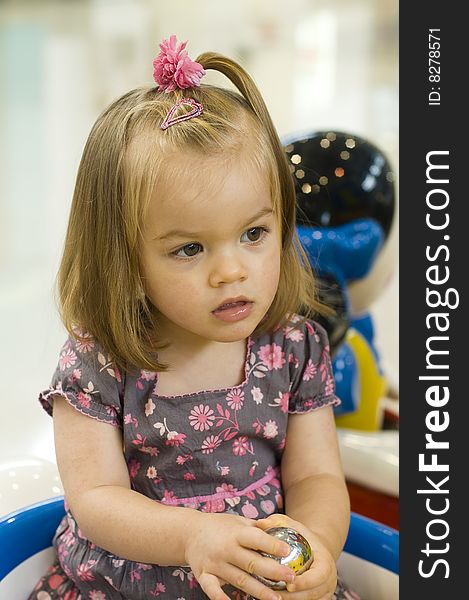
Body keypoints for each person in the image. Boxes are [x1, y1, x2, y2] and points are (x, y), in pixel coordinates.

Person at [30, 35, 358, 600]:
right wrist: (192, 537)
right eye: (189, 249)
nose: (231, 271)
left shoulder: (295, 347)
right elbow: (96, 500)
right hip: (125, 586)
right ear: (125, 259)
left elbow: (316, 478)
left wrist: (319, 546)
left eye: (254, 234)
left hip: (262, 581)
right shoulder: (98, 362)